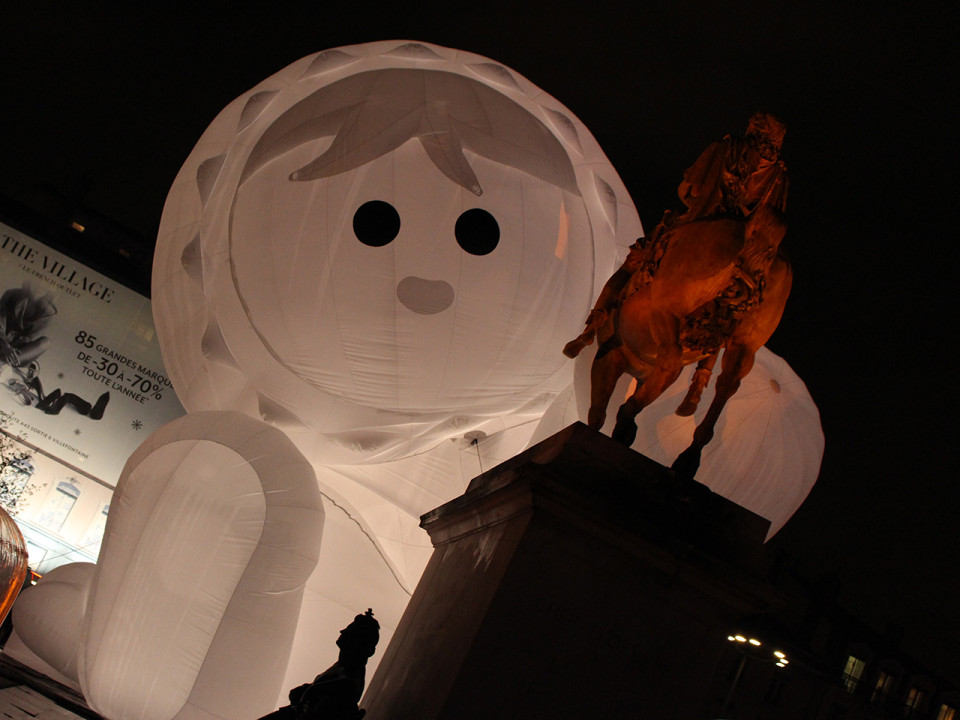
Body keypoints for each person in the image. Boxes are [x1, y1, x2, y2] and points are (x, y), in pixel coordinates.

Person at [562, 113, 787, 359]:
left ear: (753, 130)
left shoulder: (730, 147)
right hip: (750, 248)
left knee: (633, 262)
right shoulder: (779, 175)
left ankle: (592, 327)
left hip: (705, 220)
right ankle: (703, 371)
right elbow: (773, 222)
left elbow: (691, 185)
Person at [258, 610, 380, 720]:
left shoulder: (348, 676)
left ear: (357, 641)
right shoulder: (345, 669)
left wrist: (307, 693)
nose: (342, 631)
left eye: (349, 631)